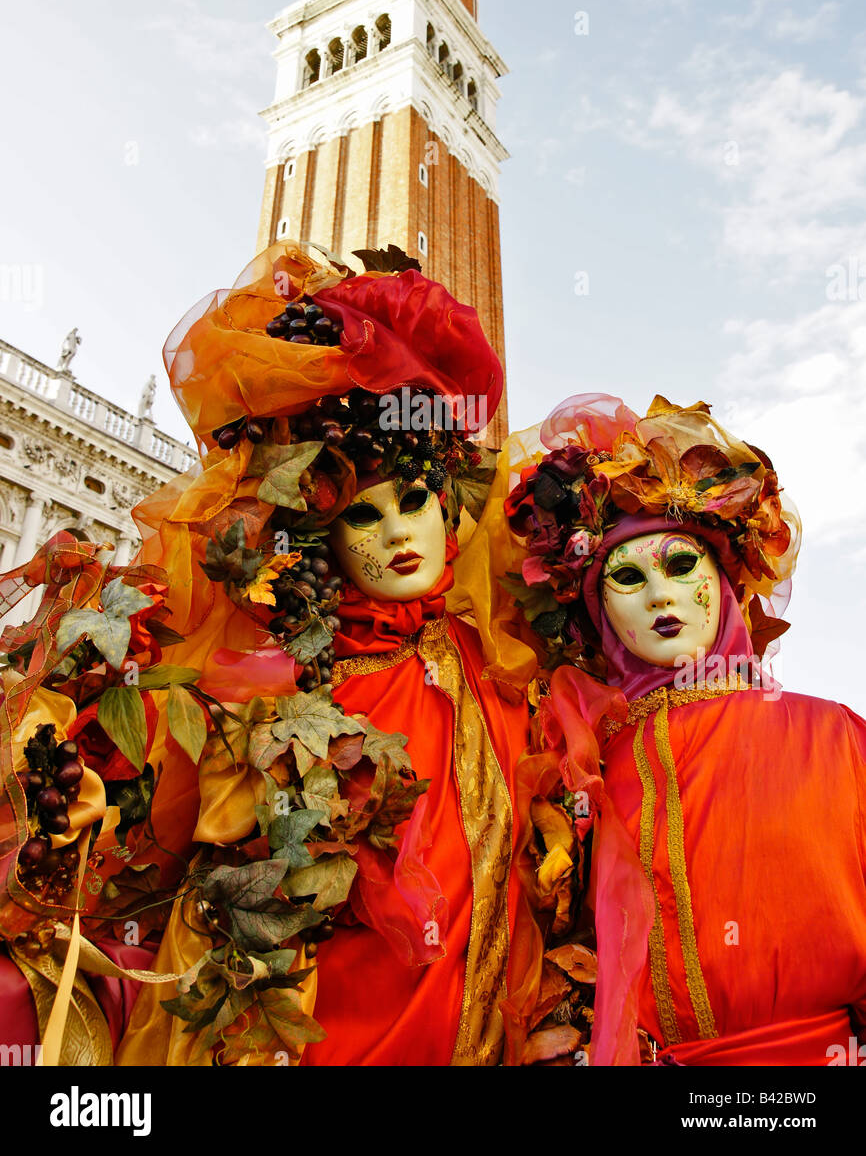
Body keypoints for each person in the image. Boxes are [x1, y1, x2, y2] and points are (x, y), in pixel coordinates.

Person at [0, 239, 531, 1066]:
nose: (395, 533)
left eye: (417, 500)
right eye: (360, 515)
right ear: (318, 533)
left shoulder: (495, 660)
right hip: (309, 1011)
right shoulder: (267, 675)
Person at [470, 391, 866, 1066]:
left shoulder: (836, 738)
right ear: (594, 611)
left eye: (683, 565)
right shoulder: (572, 772)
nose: (660, 596)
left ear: (727, 578)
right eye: (626, 577)